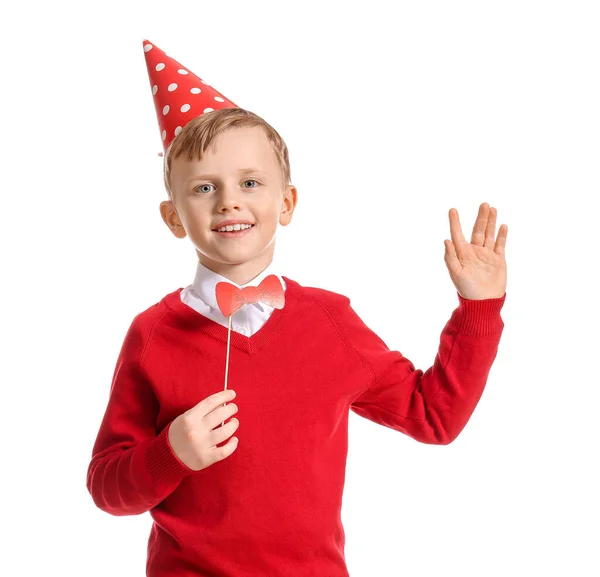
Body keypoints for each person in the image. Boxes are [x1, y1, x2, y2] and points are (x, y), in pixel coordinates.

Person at [86, 40, 508, 577]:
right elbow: (106, 486)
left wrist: (479, 307)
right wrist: (169, 453)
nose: (229, 201)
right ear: (174, 217)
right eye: (204, 187)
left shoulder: (330, 322)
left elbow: (434, 415)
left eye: (251, 183)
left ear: (285, 203)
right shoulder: (151, 336)